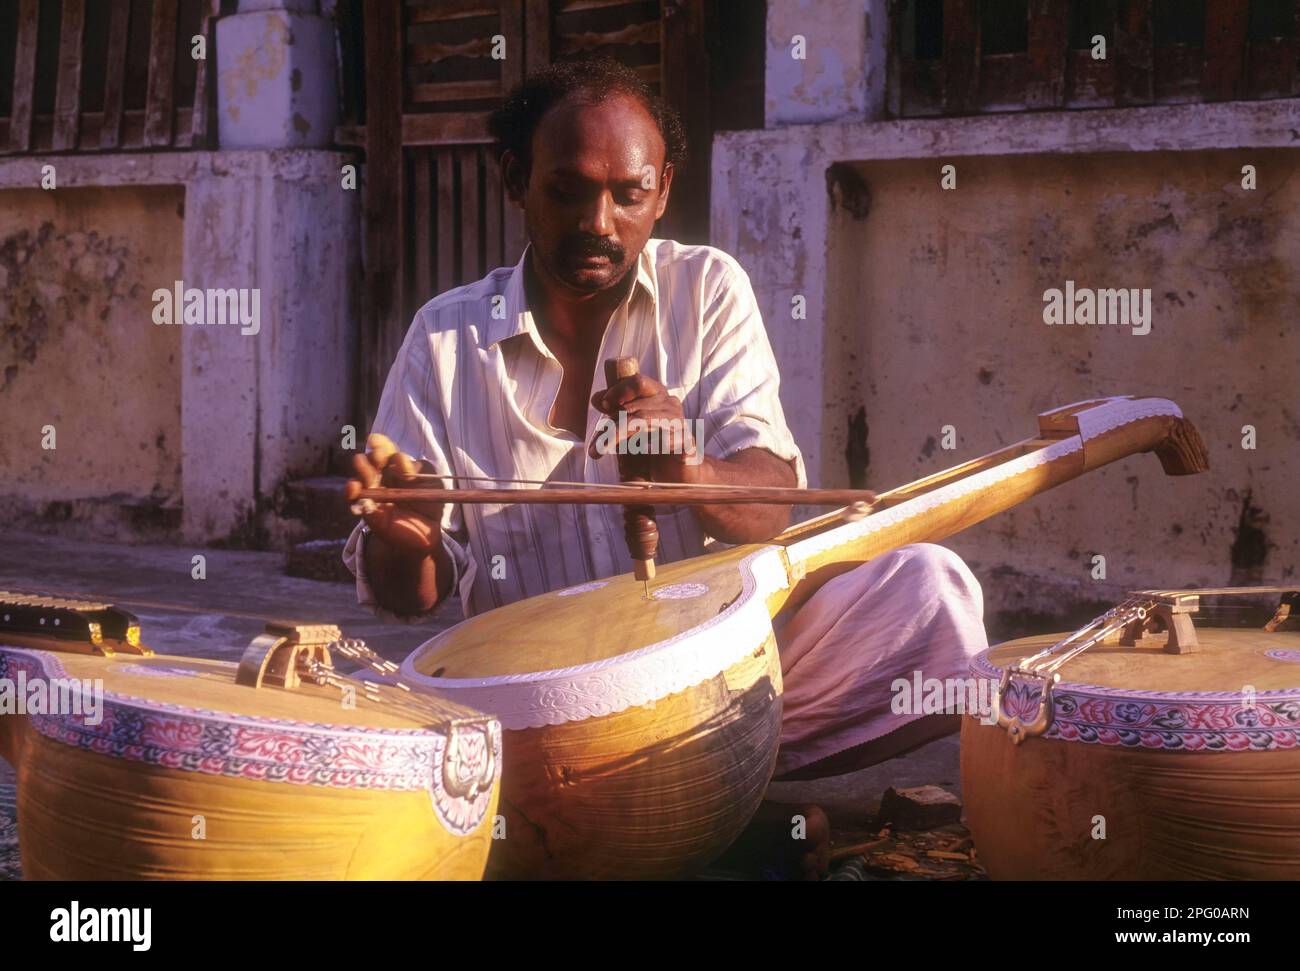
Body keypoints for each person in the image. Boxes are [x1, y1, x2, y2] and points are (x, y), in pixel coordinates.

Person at [344, 56, 987, 879]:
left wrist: (690, 469)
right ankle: (678, 806)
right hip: (537, 714)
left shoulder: (707, 290)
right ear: (515, 179)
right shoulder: (446, 339)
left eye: (628, 194)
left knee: (929, 590)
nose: (599, 222)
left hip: (704, 687)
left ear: (664, 189)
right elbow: (411, 595)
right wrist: (409, 535)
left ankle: (680, 789)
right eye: (567, 191)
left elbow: (770, 506)